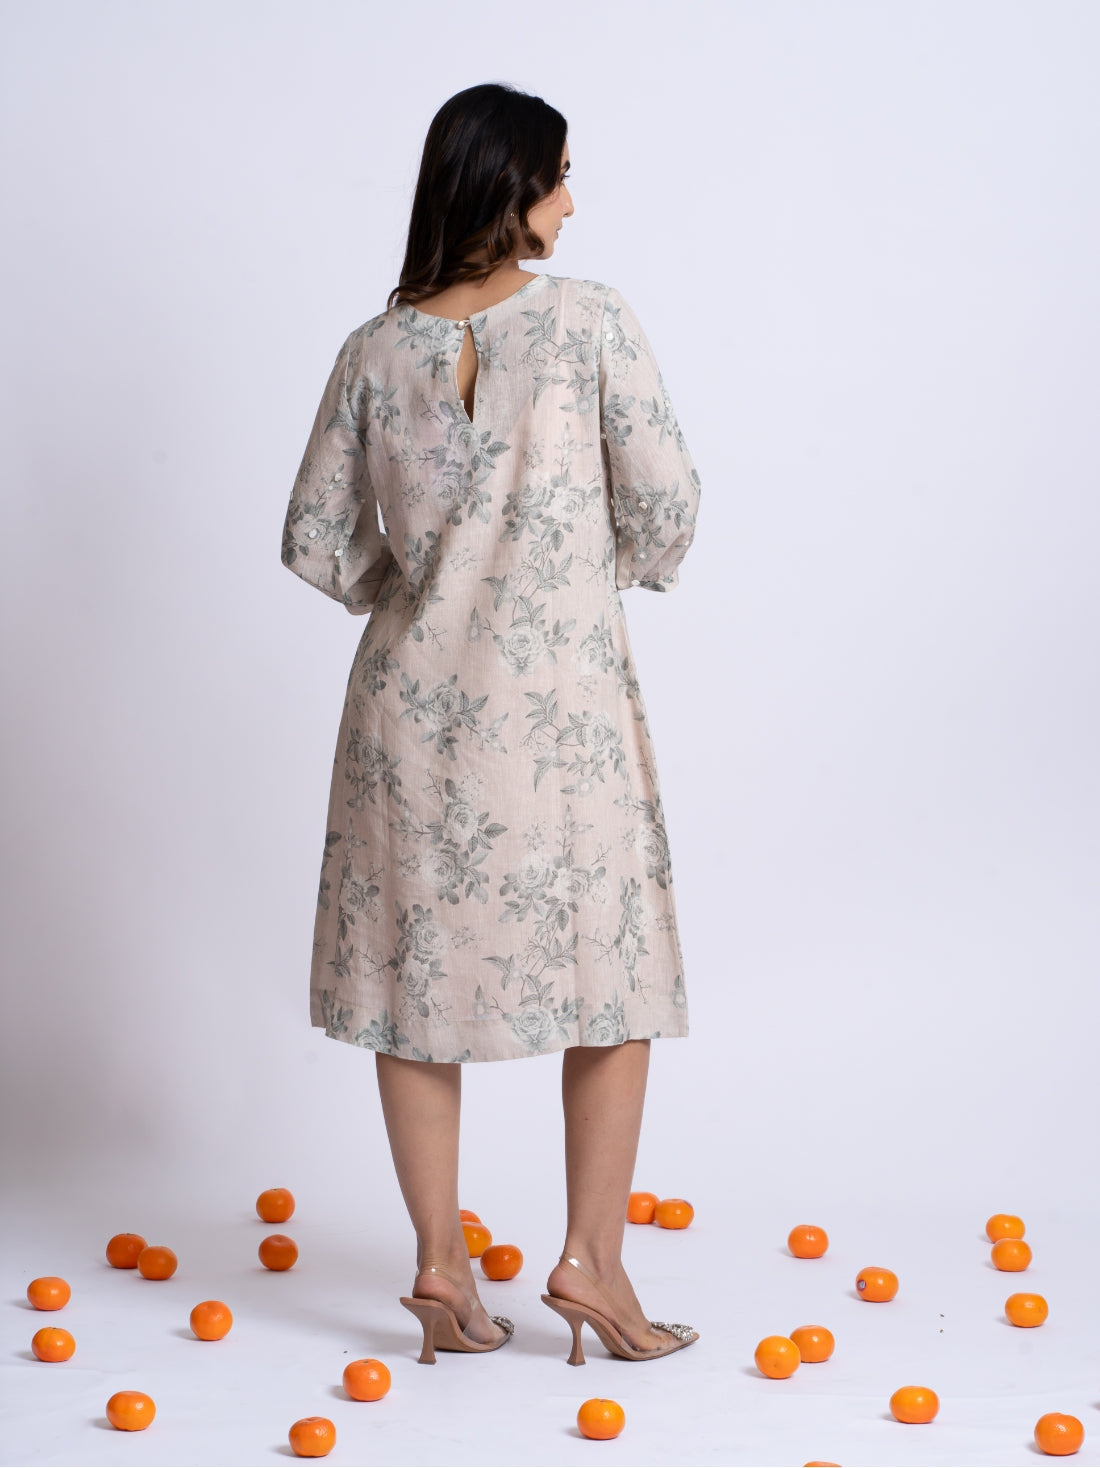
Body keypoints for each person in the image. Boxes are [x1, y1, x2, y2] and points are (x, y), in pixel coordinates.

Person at [281, 82, 702, 1366]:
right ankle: (592, 1266)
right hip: (560, 709)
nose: (570, 202)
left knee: (413, 990)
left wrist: (424, 585)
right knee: (610, 978)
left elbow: (315, 539)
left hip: (406, 718)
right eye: (559, 176)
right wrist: (576, 571)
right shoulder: (589, 322)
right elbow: (667, 505)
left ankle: (438, 1266)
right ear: (508, 185)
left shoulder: (372, 348)